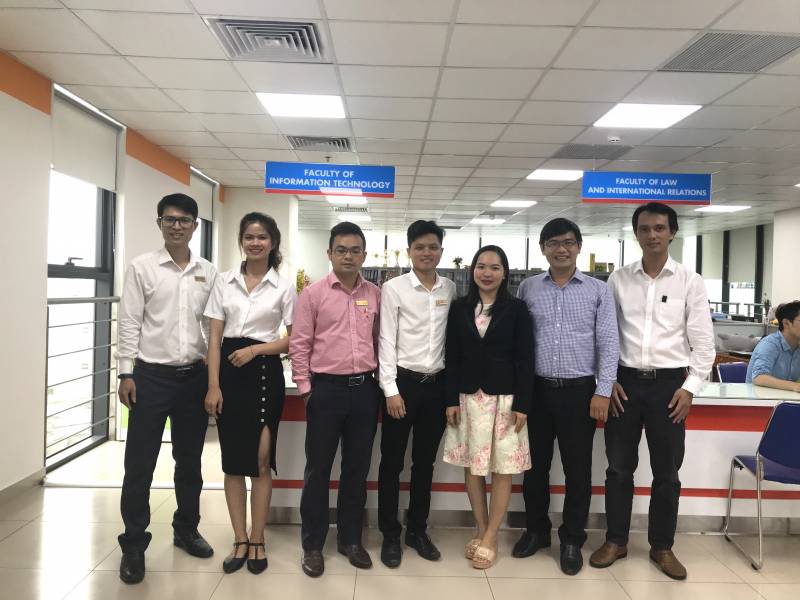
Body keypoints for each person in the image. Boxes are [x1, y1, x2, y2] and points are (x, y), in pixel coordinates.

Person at [590, 202, 715, 580]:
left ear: (672, 232)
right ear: (636, 234)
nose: (652, 235)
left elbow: (704, 344)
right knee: (618, 469)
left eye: (660, 228)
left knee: (667, 472)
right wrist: (607, 379)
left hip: (669, 387)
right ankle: (616, 541)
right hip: (623, 384)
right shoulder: (618, 280)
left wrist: (689, 389)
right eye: (645, 229)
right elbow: (604, 336)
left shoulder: (689, 281)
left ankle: (662, 546)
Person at [116, 193, 217, 584]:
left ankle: (186, 529)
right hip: (150, 378)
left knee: (189, 462)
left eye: (184, 220)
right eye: (170, 219)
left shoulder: (208, 271)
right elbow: (129, 321)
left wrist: (212, 374)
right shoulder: (142, 267)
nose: (177, 226)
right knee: (139, 464)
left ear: (195, 225)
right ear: (159, 223)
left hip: (193, 379)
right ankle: (133, 544)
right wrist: (125, 373)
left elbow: (211, 325)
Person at [514, 218, 619, 575]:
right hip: (537, 392)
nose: (561, 249)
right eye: (554, 243)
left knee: (578, 470)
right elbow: (519, 343)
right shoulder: (528, 288)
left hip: (580, 393)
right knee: (534, 468)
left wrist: (603, 390)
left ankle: (572, 539)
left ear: (579, 247)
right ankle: (536, 531)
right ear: (543, 248)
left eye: (568, 242)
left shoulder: (598, 290)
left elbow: (609, 343)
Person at [203, 213, 295, 575]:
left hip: (264, 371)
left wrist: (256, 350)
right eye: (249, 237)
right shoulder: (223, 282)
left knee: (260, 459)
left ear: (273, 243)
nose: (255, 243)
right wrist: (213, 385)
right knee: (232, 461)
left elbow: (295, 338)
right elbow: (214, 338)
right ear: (241, 241)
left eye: (262, 237)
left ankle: (258, 538)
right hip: (228, 371)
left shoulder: (283, 286)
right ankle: (239, 538)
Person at [290, 221, 382, 577]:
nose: (348, 256)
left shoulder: (374, 293)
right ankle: (312, 545)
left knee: (357, 469)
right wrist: (306, 389)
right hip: (326, 391)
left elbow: (380, 340)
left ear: (364, 255)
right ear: (329, 253)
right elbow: (300, 343)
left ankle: (350, 540)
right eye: (341, 250)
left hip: (365, 391)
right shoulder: (313, 294)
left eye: (355, 250)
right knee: (318, 470)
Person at [442, 245, 534, 570]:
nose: (487, 272)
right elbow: (452, 356)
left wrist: (523, 403)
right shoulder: (459, 308)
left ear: (504, 273)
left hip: (505, 399)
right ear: (473, 271)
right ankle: (481, 529)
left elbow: (526, 359)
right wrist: (450, 399)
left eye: (495, 267)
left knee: (502, 468)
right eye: (481, 266)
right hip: (469, 399)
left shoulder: (517, 309)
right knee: (473, 466)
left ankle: (493, 535)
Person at [377, 220, 456, 568]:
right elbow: (385, 341)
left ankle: (417, 530)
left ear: (441, 251)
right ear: (409, 251)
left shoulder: (449, 288)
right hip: (403, 386)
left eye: (433, 247)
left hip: (436, 387)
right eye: (420, 247)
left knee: (424, 464)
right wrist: (391, 390)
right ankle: (390, 534)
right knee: (392, 464)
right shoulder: (393, 288)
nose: (427, 253)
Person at [746, 300, 800, 391]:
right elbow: (759, 377)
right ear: (786, 323)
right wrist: (794, 386)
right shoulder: (770, 344)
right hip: (759, 398)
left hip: (785, 397)